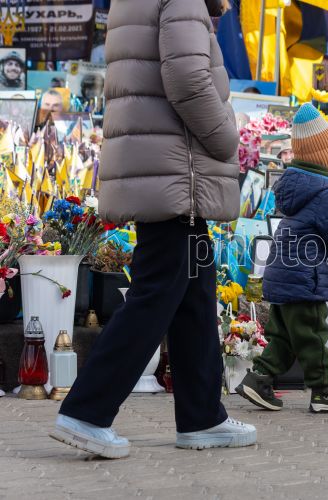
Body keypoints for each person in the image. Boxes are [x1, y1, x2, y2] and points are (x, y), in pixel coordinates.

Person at [49, 0, 256, 459]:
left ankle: (203, 417)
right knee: (157, 293)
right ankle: (86, 411)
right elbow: (188, 80)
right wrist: (228, 139)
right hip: (176, 171)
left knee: (194, 293)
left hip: (166, 170)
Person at [236, 103, 328, 413]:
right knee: (312, 335)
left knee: (284, 336)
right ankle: (324, 390)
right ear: (324, 159)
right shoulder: (325, 193)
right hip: (304, 280)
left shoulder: (299, 188)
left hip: (286, 277)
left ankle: (259, 379)